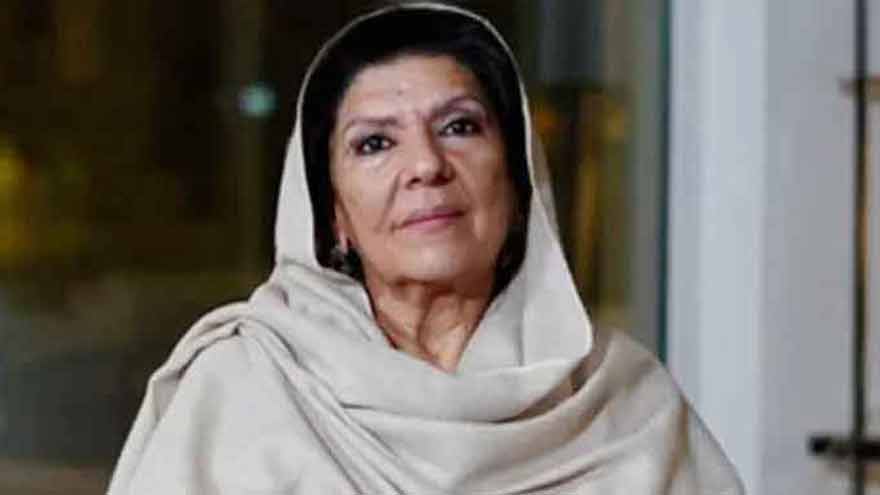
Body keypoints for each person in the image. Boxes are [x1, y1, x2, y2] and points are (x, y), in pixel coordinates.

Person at [108, 3, 743, 494]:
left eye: (459, 127)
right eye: (374, 143)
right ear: (332, 216)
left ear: (518, 181)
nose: (426, 165)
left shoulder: (623, 401)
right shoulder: (244, 386)